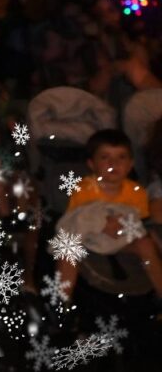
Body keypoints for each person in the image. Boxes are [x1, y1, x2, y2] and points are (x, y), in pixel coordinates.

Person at [55, 129, 162, 301]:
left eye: (121, 157)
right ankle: (61, 300)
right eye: (105, 158)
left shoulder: (137, 192)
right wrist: (102, 224)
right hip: (89, 239)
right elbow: (78, 222)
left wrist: (121, 227)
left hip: (119, 239)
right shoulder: (84, 188)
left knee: (146, 244)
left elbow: (137, 224)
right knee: (68, 248)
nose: (114, 163)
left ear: (130, 164)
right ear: (91, 164)